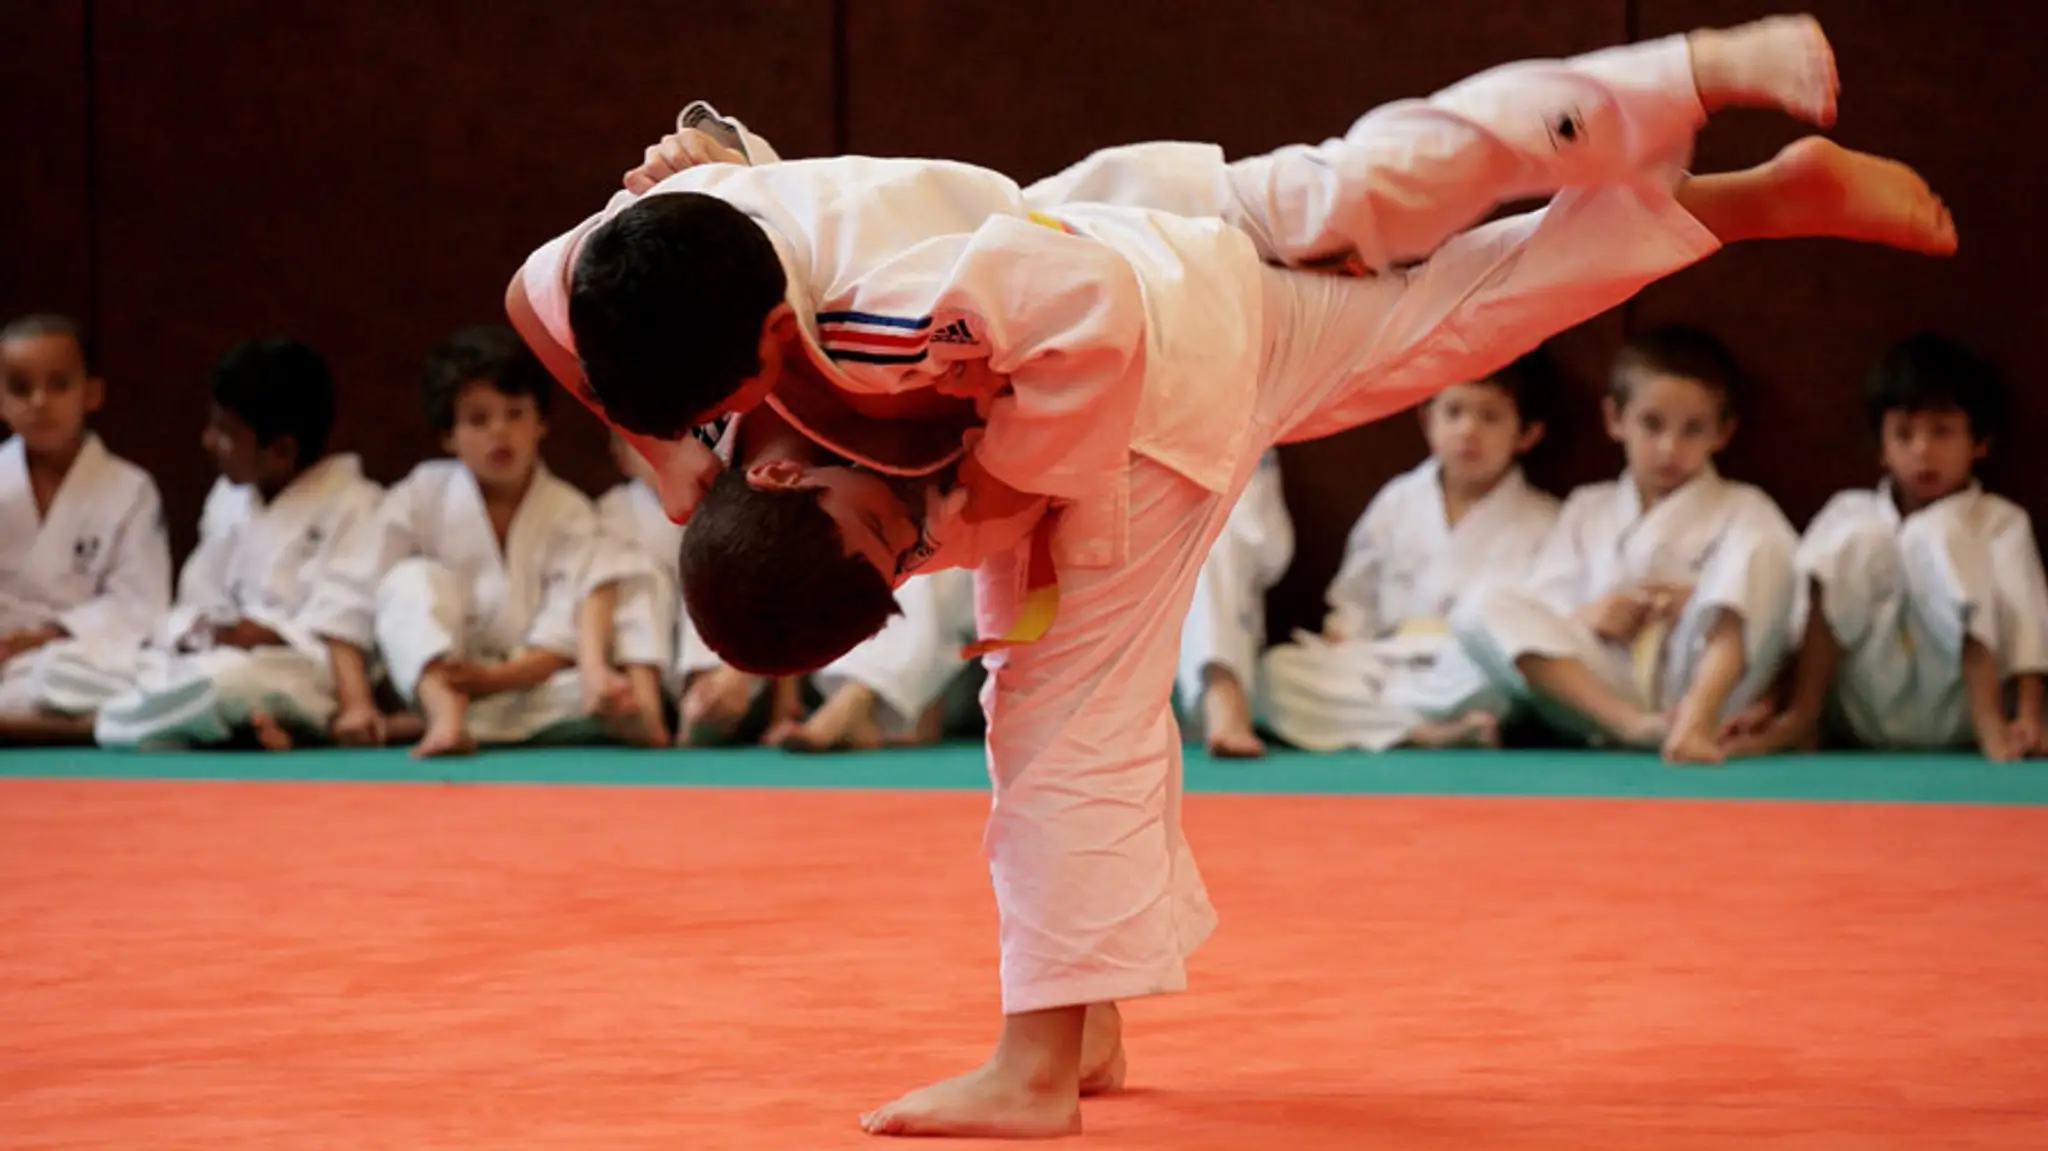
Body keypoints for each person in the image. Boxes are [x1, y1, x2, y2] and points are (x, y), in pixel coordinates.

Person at [676, 140, 1958, 1137]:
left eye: (883, 530)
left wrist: (715, 168)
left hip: (1135, 384)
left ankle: (1039, 1062)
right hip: (1191, 285)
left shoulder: (789, 356)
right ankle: (1736, 201)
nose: (914, 537)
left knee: (1060, 722)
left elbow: (784, 234)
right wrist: (729, 173)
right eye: (904, 562)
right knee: (1455, 313)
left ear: (783, 481)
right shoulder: (741, 423)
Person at [509, 18, 1856, 528]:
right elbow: (565, 330)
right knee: (1376, 179)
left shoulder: (859, 328)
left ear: (756, 330)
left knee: (1421, 328)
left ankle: (1716, 190)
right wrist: (671, 458)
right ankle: (1684, 74)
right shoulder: (635, 248)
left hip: (1127, 276)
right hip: (1129, 204)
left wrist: (985, 489)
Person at [1454, 326, 1800, 764]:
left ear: (1723, 433)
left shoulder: (1745, 508)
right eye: (1652, 424)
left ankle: (1696, 719)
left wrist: (1700, 605)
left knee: (1763, 553)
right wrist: (1593, 615)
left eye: (1693, 429)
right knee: (1479, 607)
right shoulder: (1587, 508)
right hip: (1606, 688)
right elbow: (1543, 610)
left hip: (1708, 685)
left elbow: (1783, 621)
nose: (1669, 448)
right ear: (1615, 419)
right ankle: (1634, 728)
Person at [32, 338, 382, 748]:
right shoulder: (228, 498)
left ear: (282, 450)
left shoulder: (359, 505)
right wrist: (201, 632)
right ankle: (200, 723)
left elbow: (345, 629)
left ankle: (95, 726)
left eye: (225, 433)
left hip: (294, 671)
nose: (208, 441)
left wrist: (272, 634)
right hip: (202, 661)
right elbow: (194, 597)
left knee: (226, 685)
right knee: (59, 667)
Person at [1726, 334, 2048, 760]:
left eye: (1942, 432)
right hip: (1861, 707)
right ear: (1882, 448)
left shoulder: (2000, 521)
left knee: (1938, 534)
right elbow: (1799, 623)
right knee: (1857, 541)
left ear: (1980, 443)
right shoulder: (1849, 514)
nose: (1922, 451)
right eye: (1904, 434)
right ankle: (1802, 718)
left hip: (1959, 712)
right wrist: (1769, 702)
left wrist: (2030, 715)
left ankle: (1992, 728)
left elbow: (2028, 621)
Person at [303, 326, 603, 757]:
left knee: (595, 692)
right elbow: (347, 598)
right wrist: (356, 704)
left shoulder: (569, 512)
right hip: (428, 678)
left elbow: (565, 632)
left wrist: (496, 680)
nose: (500, 432)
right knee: (411, 579)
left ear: (542, 424)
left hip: (524, 683)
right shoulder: (422, 494)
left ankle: (414, 726)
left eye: (516, 413)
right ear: (449, 434)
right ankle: (441, 713)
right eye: (478, 420)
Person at [1261, 353, 1559, 751]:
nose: (1467, 431)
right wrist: (1345, 632)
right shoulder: (1398, 501)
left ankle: (1391, 722)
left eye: (1489, 417)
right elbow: (1356, 595)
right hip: (1385, 659)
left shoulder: (1545, 519)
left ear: (1527, 434)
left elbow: (1543, 621)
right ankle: (1422, 731)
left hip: (1465, 668)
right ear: (1426, 419)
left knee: (1501, 685)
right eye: (1453, 412)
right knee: (1274, 672)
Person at [0, 313, 170, 741]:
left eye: (58, 385)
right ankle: (79, 728)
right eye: (20, 388)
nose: (39, 402)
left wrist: (41, 638)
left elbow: (141, 604)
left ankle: (41, 724)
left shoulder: (130, 488)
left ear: (91, 393)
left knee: (145, 676)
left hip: (80, 656)